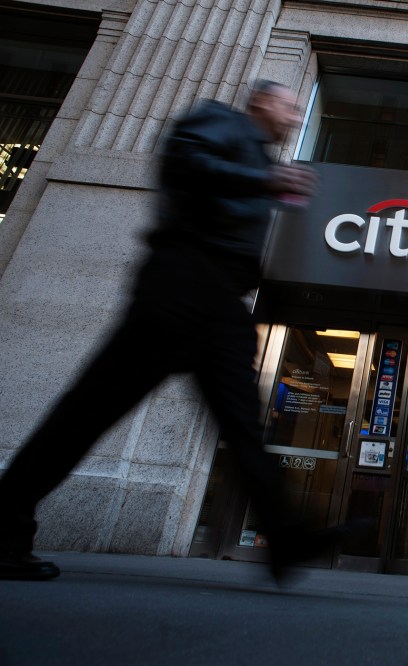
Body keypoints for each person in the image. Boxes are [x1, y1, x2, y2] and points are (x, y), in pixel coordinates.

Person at [0, 80, 331, 583]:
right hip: (182, 281)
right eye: (289, 105)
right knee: (90, 410)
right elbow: (183, 164)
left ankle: (285, 537)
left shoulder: (261, 158)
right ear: (262, 101)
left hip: (221, 299)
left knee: (242, 422)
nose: (294, 115)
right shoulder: (221, 121)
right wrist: (262, 181)